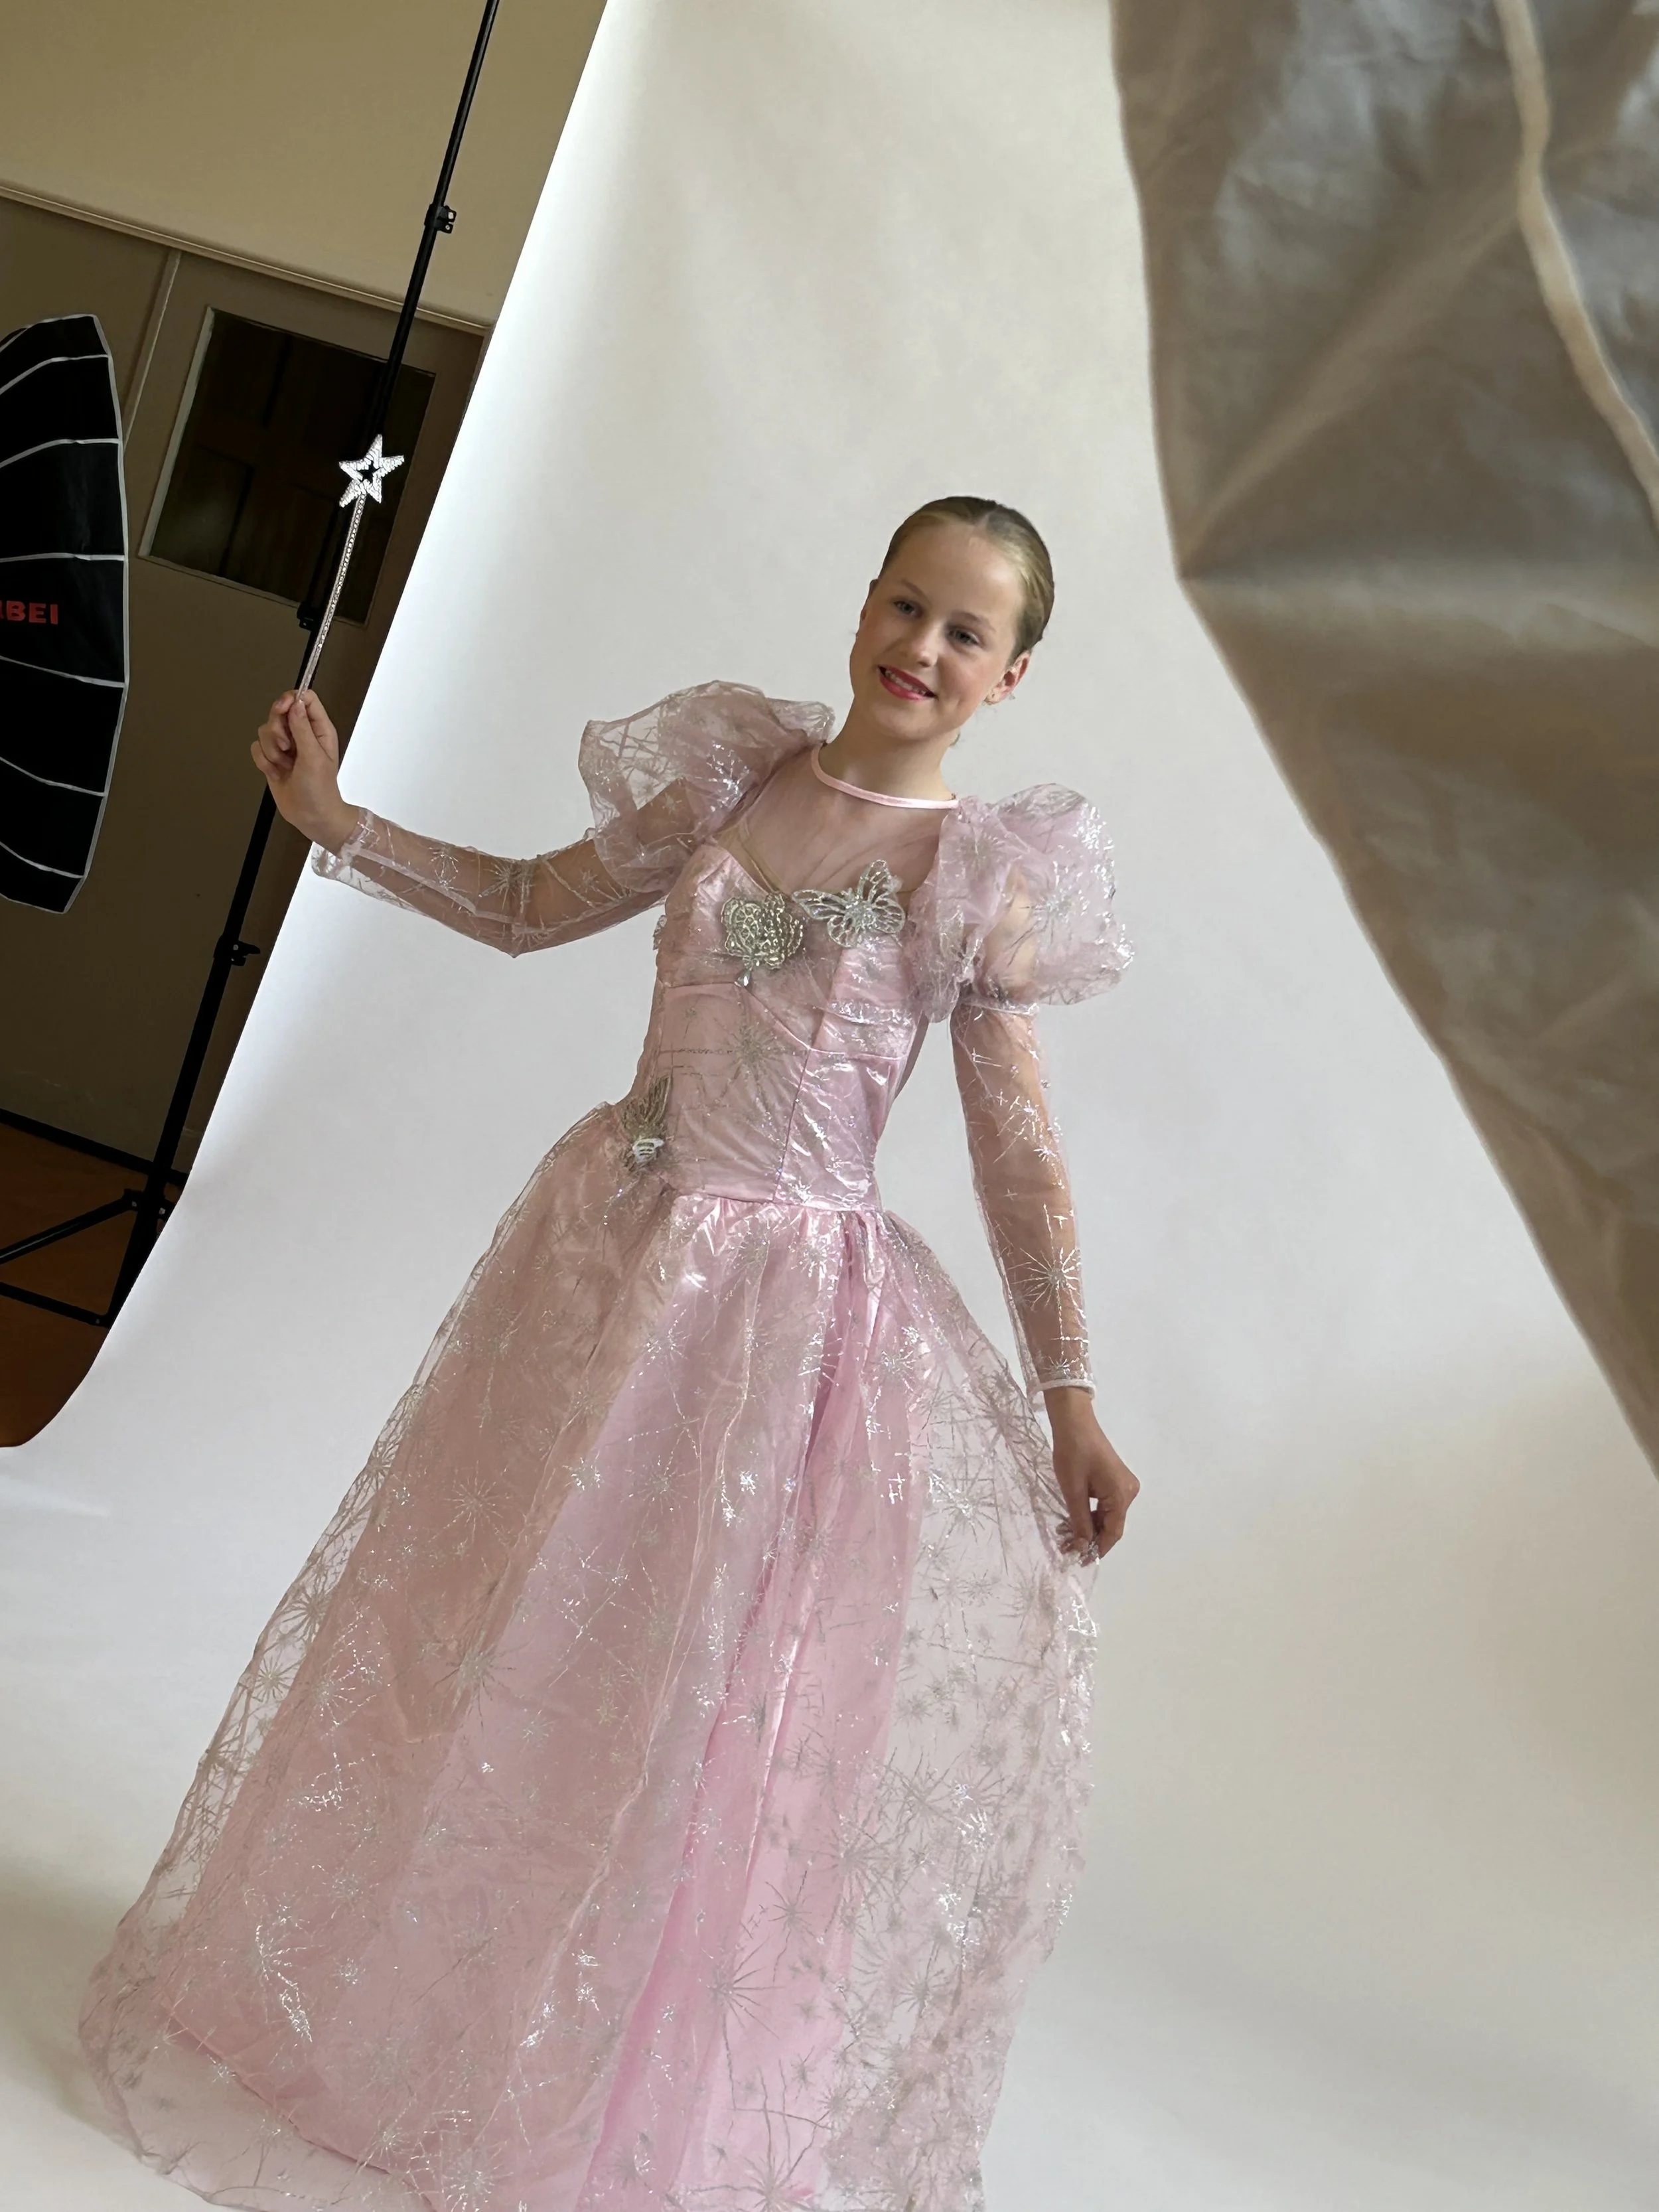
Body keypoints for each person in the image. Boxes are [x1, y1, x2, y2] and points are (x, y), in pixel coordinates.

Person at [81, 496, 1139, 2212]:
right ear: (861, 598)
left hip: (775, 1315)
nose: (919, 648)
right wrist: (333, 821)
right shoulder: (735, 776)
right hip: (606, 1250)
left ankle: (601, 2077)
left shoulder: (973, 882)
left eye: (965, 632)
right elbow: (520, 903)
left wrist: (1072, 1395)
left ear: (1009, 674)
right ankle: (438, 2014)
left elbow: (1017, 1154)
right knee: (512, 1628)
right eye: (903, 602)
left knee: (690, 1687)